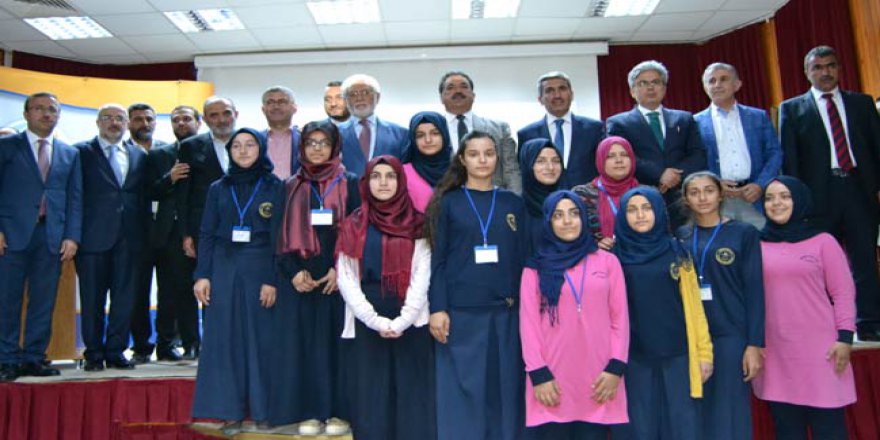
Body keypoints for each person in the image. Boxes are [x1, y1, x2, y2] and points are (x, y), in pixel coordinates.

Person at [426, 130, 526, 440]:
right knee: (463, 394)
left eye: (489, 153)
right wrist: (438, 307)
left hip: (507, 313)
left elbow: (523, 260)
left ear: (498, 158)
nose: (482, 160)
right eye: (474, 154)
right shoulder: (448, 202)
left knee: (504, 391)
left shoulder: (512, 202)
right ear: (462, 159)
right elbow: (438, 260)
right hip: (462, 314)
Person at [778, 45, 880, 342]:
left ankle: (870, 322)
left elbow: (876, 146)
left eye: (831, 65)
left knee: (864, 259)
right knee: (824, 264)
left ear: (839, 68)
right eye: (818, 67)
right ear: (807, 72)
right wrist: (798, 202)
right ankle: (831, 324)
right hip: (818, 197)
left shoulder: (861, 103)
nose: (825, 72)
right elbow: (790, 159)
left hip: (859, 191)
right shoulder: (792, 109)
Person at [191, 128, 284, 436]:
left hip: (260, 267)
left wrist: (272, 279)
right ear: (229, 152)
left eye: (250, 145)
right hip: (224, 267)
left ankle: (264, 410)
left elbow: (279, 237)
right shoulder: (218, 187)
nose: (243, 151)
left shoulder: (275, 186)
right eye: (237, 146)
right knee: (225, 339)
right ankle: (228, 411)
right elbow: (206, 233)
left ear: (261, 149)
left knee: (262, 340)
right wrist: (202, 275)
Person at [335, 155, 435, 440]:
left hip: (411, 317)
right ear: (366, 182)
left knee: (412, 394)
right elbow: (346, 277)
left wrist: (403, 320)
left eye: (390, 176)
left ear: (400, 181)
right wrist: (375, 321)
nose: (383, 183)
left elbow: (423, 273)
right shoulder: (354, 224)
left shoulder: (418, 223)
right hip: (367, 317)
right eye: (376, 176)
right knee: (371, 396)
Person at [520, 190, 629, 439]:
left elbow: (620, 319)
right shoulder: (535, 268)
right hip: (553, 379)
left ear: (583, 218)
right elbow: (528, 325)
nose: (567, 221)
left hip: (600, 378)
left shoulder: (608, 262)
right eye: (558, 215)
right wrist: (538, 374)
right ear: (548, 222)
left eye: (574, 213)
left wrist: (616, 368)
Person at [754, 176, 856, 440]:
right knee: (787, 431)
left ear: (800, 200)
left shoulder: (823, 241)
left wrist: (845, 337)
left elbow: (843, 292)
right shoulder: (755, 244)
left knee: (829, 430)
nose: (776, 203)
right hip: (775, 353)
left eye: (785, 196)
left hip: (822, 351)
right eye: (769, 198)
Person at [277, 120, 360, 435]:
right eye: (310, 142)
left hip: (338, 280)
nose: (316, 148)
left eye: (323, 142)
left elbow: (358, 231)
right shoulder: (290, 185)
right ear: (302, 147)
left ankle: (339, 413)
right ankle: (311, 412)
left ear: (335, 146)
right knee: (306, 350)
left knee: (339, 350)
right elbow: (279, 236)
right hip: (302, 281)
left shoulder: (351, 183)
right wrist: (293, 272)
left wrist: (340, 270)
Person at [613, 185, 712, 440]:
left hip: (678, 355)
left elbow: (695, 308)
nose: (640, 215)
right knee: (640, 429)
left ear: (658, 211)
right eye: (632, 210)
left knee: (682, 427)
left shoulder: (677, 251)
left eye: (647, 208)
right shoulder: (612, 257)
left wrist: (704, 354)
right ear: (622, 215)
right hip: (634, 358)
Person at [677, 171, 765, 440]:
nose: (702, 198)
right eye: (694, 192)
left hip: (731, 334)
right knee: (696, 409)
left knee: (729, 410)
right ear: (686, 199)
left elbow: (755, 290)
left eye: (709, 191)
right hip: (692, 338)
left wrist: (754, 344)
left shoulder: (743, 233)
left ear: (720, 195)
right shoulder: (681, 236)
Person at [0, 92, 81, 381]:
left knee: (43, 301)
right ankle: (7, 359)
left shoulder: (69, 153)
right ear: (26, 114)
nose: (46, 114)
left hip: (51, 237)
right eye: (39, 109)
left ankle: (34, 357)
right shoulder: (6, 147)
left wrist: (72, 236)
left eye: (51, 109)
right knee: (7, 300)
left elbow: (75, 198)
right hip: (11, 236)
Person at [74, 104, 149, 371]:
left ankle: (116, 351)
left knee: (124, 299)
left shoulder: (138, 154)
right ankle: (93, 353)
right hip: (92, 238)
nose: (114, 122)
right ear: (98, 122)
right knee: (92, 300)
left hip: (130, 239)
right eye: (107, 118)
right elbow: (75, 196)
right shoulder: (80, 152)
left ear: (127, 123)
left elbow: (142, 195)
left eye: (119, 118)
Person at [606, 60, 706, 228]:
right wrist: (659, 174)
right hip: (641, 198)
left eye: (656, 82)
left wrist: (674, 176)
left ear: (664, 88)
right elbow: (623, 158)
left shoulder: (685, 118)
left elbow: (698, 154)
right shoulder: (618, 123)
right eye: (643, 83)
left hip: (682, 197)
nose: (650, 87)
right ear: (632, 91)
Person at [695, 62, 782, 229]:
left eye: (723, 79)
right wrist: (714, 183)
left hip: (755, 196)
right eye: (711, 81)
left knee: (761, 242)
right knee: (724, 244)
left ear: (737, 84)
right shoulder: (694, 122)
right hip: (718, 201)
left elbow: (774, 153)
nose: (717, 85)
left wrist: (760, 185)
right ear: (705, 87)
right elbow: (694, 162)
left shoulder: (758, 116)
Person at [126, 102, 173, 364]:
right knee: (137, 292)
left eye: (148, 119)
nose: (144, 124)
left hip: (165, 232)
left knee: (168, 291)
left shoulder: (167, 151)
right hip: (134, 232)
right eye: (138, 119)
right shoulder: (122, 151)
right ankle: (141, 346)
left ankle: (167, 343)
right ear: (129, 122)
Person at [176, 96, 239, 261]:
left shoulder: (250, 141)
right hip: (205, 226)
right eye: (214, 115)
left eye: (226, 113)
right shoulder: (190, 146)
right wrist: (185, 234)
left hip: (244, 225)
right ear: (204, 120)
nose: (221, 120)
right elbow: (183, 193)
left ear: (236, 114)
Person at [518, 71, 606, 187]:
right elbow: (524, 174)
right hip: (544, 197)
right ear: (540, 99)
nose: (557, 95)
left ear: (572, 95)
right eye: (550, 90)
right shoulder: (526, 134)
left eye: (562, 89)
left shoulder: (595, 128)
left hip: (586, 196)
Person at [439, 71, 521, 193]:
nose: (458, 91)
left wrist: (514, 201)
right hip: (446, 199)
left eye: (464, 86)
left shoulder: (500, 129)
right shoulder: (433, 132)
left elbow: (511, 171)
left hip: (492, 199)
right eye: (450, 88)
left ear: (473, 95)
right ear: (441, 97)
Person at [572, 136, 639, 250]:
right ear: (600, 160)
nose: (619, 160)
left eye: (624, 155)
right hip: (597, 257)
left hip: (639, 255)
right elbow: (572, 233)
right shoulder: (582, 194)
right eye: (610, 156)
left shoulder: (645, 194)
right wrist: (594, 245)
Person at [338, 74, 408, 177]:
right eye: (353, 94)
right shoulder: (335, 134)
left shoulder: (401, 134)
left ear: (377, 97)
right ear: (345, 101)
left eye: (365, 92)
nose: (359, 98)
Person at [519, 138, 562, 258]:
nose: (550, 167)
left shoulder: (569, 203)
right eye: (541, 161)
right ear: (528, 165)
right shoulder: (515, 209)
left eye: (556, 161)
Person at [401, 111, 452, 212]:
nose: (428, 140)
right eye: (420, 135)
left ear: (444, 135)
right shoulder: (403, 173)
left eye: (435, 133)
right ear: (413, 139)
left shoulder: (460, 170)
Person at [260, 86, 301, 179]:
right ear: (263, 109)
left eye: (282, 102)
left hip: (297, 187)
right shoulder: (256, 140)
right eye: (270, 102)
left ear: (294, 108)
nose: (276, 107)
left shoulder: (305, 138)